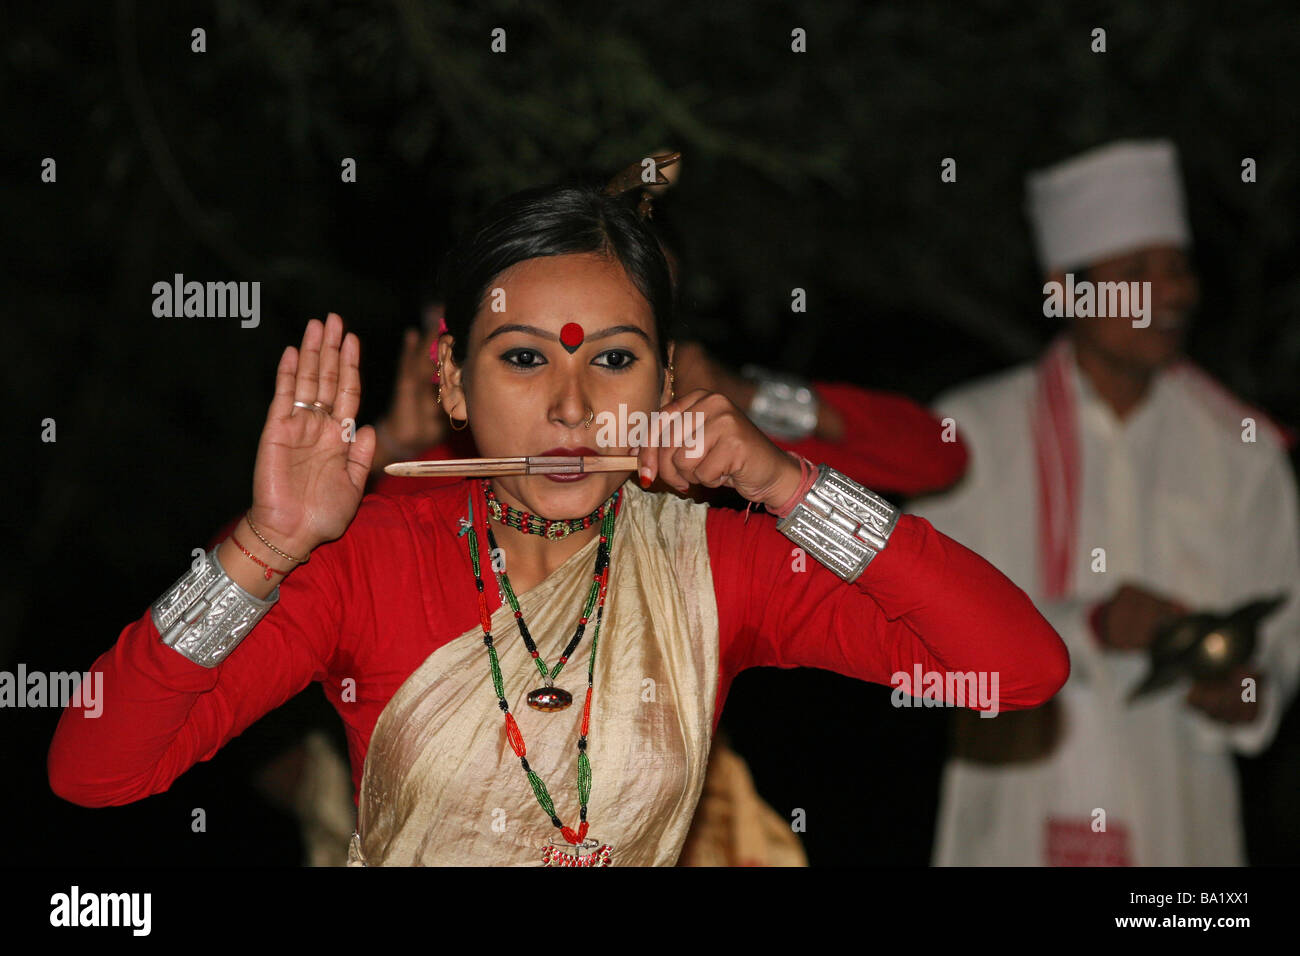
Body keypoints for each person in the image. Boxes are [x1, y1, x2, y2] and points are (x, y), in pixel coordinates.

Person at [49, 172, 1067, 866]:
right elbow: (96, 769)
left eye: (614, 359)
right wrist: (262, 546)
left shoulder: (720, 564)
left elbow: (1020, 669)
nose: (573, 408)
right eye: (525, 358)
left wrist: (786, 483)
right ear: (451, 379)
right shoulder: (366, 560)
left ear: (667, 379)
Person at [914, 139, 1300, 866]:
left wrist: (1247, 690)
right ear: (1067, 290)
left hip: (1177, 828)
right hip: (1011, 822)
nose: (1174, 293)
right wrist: (1086, 625)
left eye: (1178, 269)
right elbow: (919, 633)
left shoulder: (1243, 451)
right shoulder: (968, 433)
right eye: (1137, 273)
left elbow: (1281, 642)